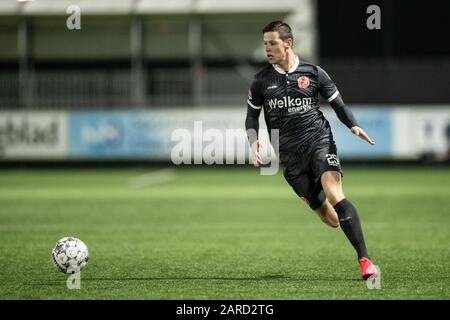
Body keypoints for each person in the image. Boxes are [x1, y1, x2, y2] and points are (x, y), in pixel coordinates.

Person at [245, 20, 379, 279]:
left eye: (272, 43)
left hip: (319, 141)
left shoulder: (314, 73)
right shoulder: (261, 81)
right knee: (331, 220)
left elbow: (338, 105)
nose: (267, 49)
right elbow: (251, 117)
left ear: (288, 43)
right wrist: (253, 141)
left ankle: (365, 260)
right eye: (265, 44)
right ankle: (345, 220)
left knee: (335, 192)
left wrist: (353, 125)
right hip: (291, 158)